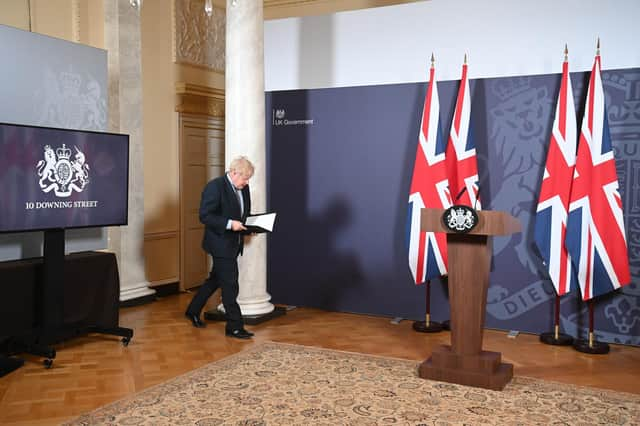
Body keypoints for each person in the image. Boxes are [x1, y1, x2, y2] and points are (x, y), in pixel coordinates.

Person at [184, 156, 255, 339]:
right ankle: (234, 327)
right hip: (220, 243)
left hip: (234, 243)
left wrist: (252, 227)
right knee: (231, 285)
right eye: (245, 178)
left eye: (248, 179)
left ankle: (192, 310)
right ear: (233, 173)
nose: (246, 183)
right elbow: (205, 216)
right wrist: (230, 224)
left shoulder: (243, 188)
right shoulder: (215, 187)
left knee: (215, 280)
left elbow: (243, 214)